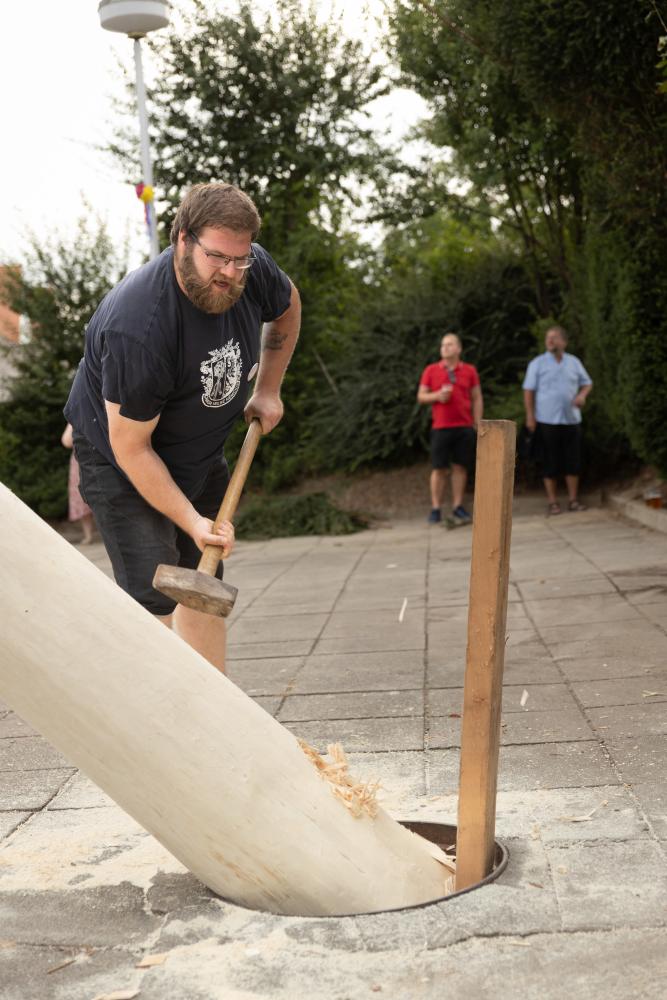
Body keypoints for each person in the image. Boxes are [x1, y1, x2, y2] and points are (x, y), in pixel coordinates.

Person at [65, 182, 301, 673]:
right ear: (182, 240)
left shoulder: (249, 269)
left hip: (197, 449)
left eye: (240, 259)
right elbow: (132, 448)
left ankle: (212, 708)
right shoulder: (140, 327)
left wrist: (268, 389)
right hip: (122, 462)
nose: (230, 272)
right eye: (217, 257)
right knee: (155, 591)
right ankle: (156, 710)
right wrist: (192, 522)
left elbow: (287, 307)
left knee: (202, 581)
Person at [522, 325, 592, 515]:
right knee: (549, 462)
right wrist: (530, 416)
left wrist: (582, 395)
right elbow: (528, 391)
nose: (550, 341)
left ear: (564, 341)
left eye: (554, 337)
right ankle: (553, 502)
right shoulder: (537, 363)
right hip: (546, 420)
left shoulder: (574, 362)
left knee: (573, 461)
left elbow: (587, 383)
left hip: (571, 419)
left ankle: (573, 500)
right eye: (548, 338)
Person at [417, 332, 483, 524]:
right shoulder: (431, 370)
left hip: (464, 427)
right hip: (441, 427)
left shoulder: (469, 370)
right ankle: (435, 508)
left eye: (449, 344)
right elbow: (421, 396)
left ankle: (457, 506)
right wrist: (437, 396)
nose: (445, 347)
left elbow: (477, 397)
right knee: (439, 469)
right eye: (443, 345)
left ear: (459, 348)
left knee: (460, 467)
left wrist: (477, 421)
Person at [61, 422, 95, 544]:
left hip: (83, 459)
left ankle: (88, 535)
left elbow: (66, 441)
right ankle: (89, 535)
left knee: (82, 496)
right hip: (90, 458)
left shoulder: (76, 414)